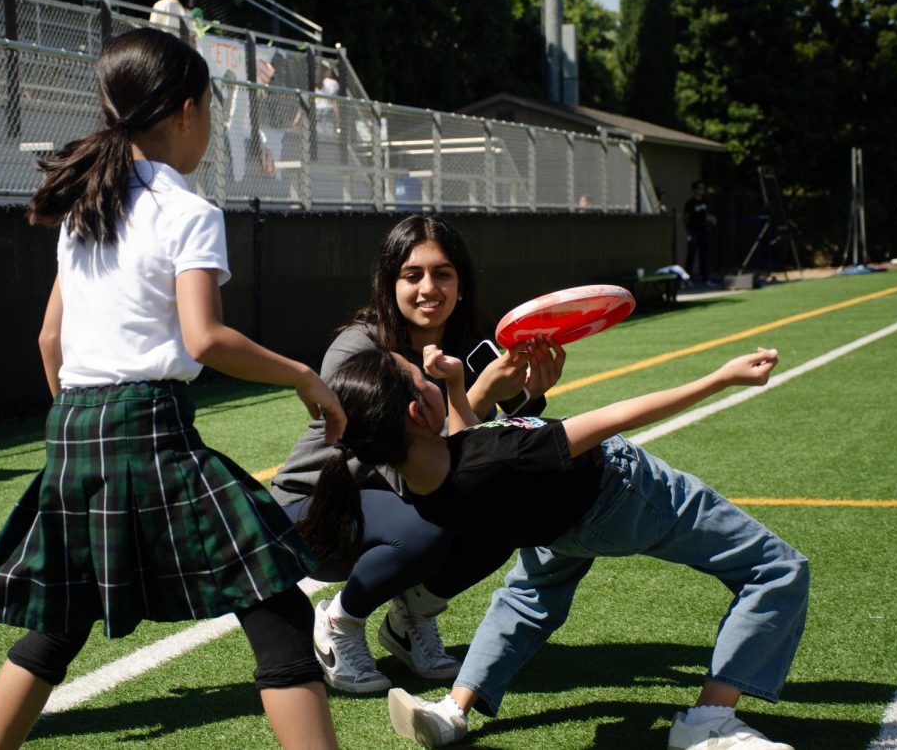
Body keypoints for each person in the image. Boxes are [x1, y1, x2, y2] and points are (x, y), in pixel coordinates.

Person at [0, 28, 345, 750]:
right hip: (150, 424)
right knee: (277, 609)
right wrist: (304, 375)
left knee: (57, 623)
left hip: (74, 427)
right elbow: (205, 338)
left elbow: (51, 339)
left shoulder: (86, 207)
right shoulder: (188, 211)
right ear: (187, 110)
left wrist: (79, 422)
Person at [312, 343, 808, 750]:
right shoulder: (504, 457)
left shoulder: (422, 484)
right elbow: (618, 416)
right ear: (418, 413)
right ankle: (710, 720)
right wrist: (719, 379)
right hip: (623, 493)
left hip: (555, 525)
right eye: (420, 376)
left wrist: (457, 385)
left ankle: (451, 711)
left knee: (525, 600)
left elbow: (469, 446)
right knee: (775, 567)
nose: (428, 371)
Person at [271, 215, 565, 694]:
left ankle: (411, 617)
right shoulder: (358, 349)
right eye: (413, 275)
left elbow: (503, 450)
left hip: (397, 504)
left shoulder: (475, 346)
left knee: (516, 500)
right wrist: (481, 395)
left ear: (462, 284)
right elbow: (416, 465)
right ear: (390, 285)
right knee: (429, 524)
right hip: (315, 511)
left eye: (443, 273)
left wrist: (532, 393)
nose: (430, 288)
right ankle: (339, 620)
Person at [685, 179, 716, 284]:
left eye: (703, 188)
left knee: (704, 256)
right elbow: (686, 218)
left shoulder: (704, 201)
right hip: (693, 232)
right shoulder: (690, 203)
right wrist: (689, 230)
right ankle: (687, 279)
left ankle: (706, 278)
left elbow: (706, 214)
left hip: (704, 232)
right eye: (699, 188)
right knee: (691, 256)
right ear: (694, 190)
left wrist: (711, 219)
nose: (701, 190)